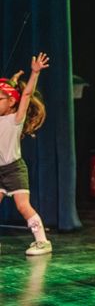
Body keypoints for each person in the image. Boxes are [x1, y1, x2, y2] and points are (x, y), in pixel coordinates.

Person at [0, 53, 52, 256]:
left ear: (12, 101)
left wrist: (35, 72)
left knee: (23, 206)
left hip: (14, 169)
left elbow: (27, 94)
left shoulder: (15, 118)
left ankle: (42, 242)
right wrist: (11, 81)